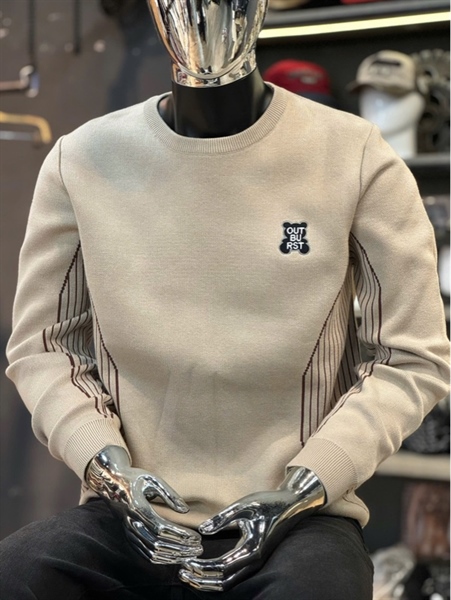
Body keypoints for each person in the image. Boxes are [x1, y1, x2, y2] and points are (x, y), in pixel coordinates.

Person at [1, 0, 449, 597]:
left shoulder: (355, 154)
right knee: (19, 572)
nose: (202, 10)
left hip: (298, 519)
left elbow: (412, 356)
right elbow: (43, 347)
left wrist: (305, 486)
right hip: (132, 516)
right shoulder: (82, 160)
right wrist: (108, 469)